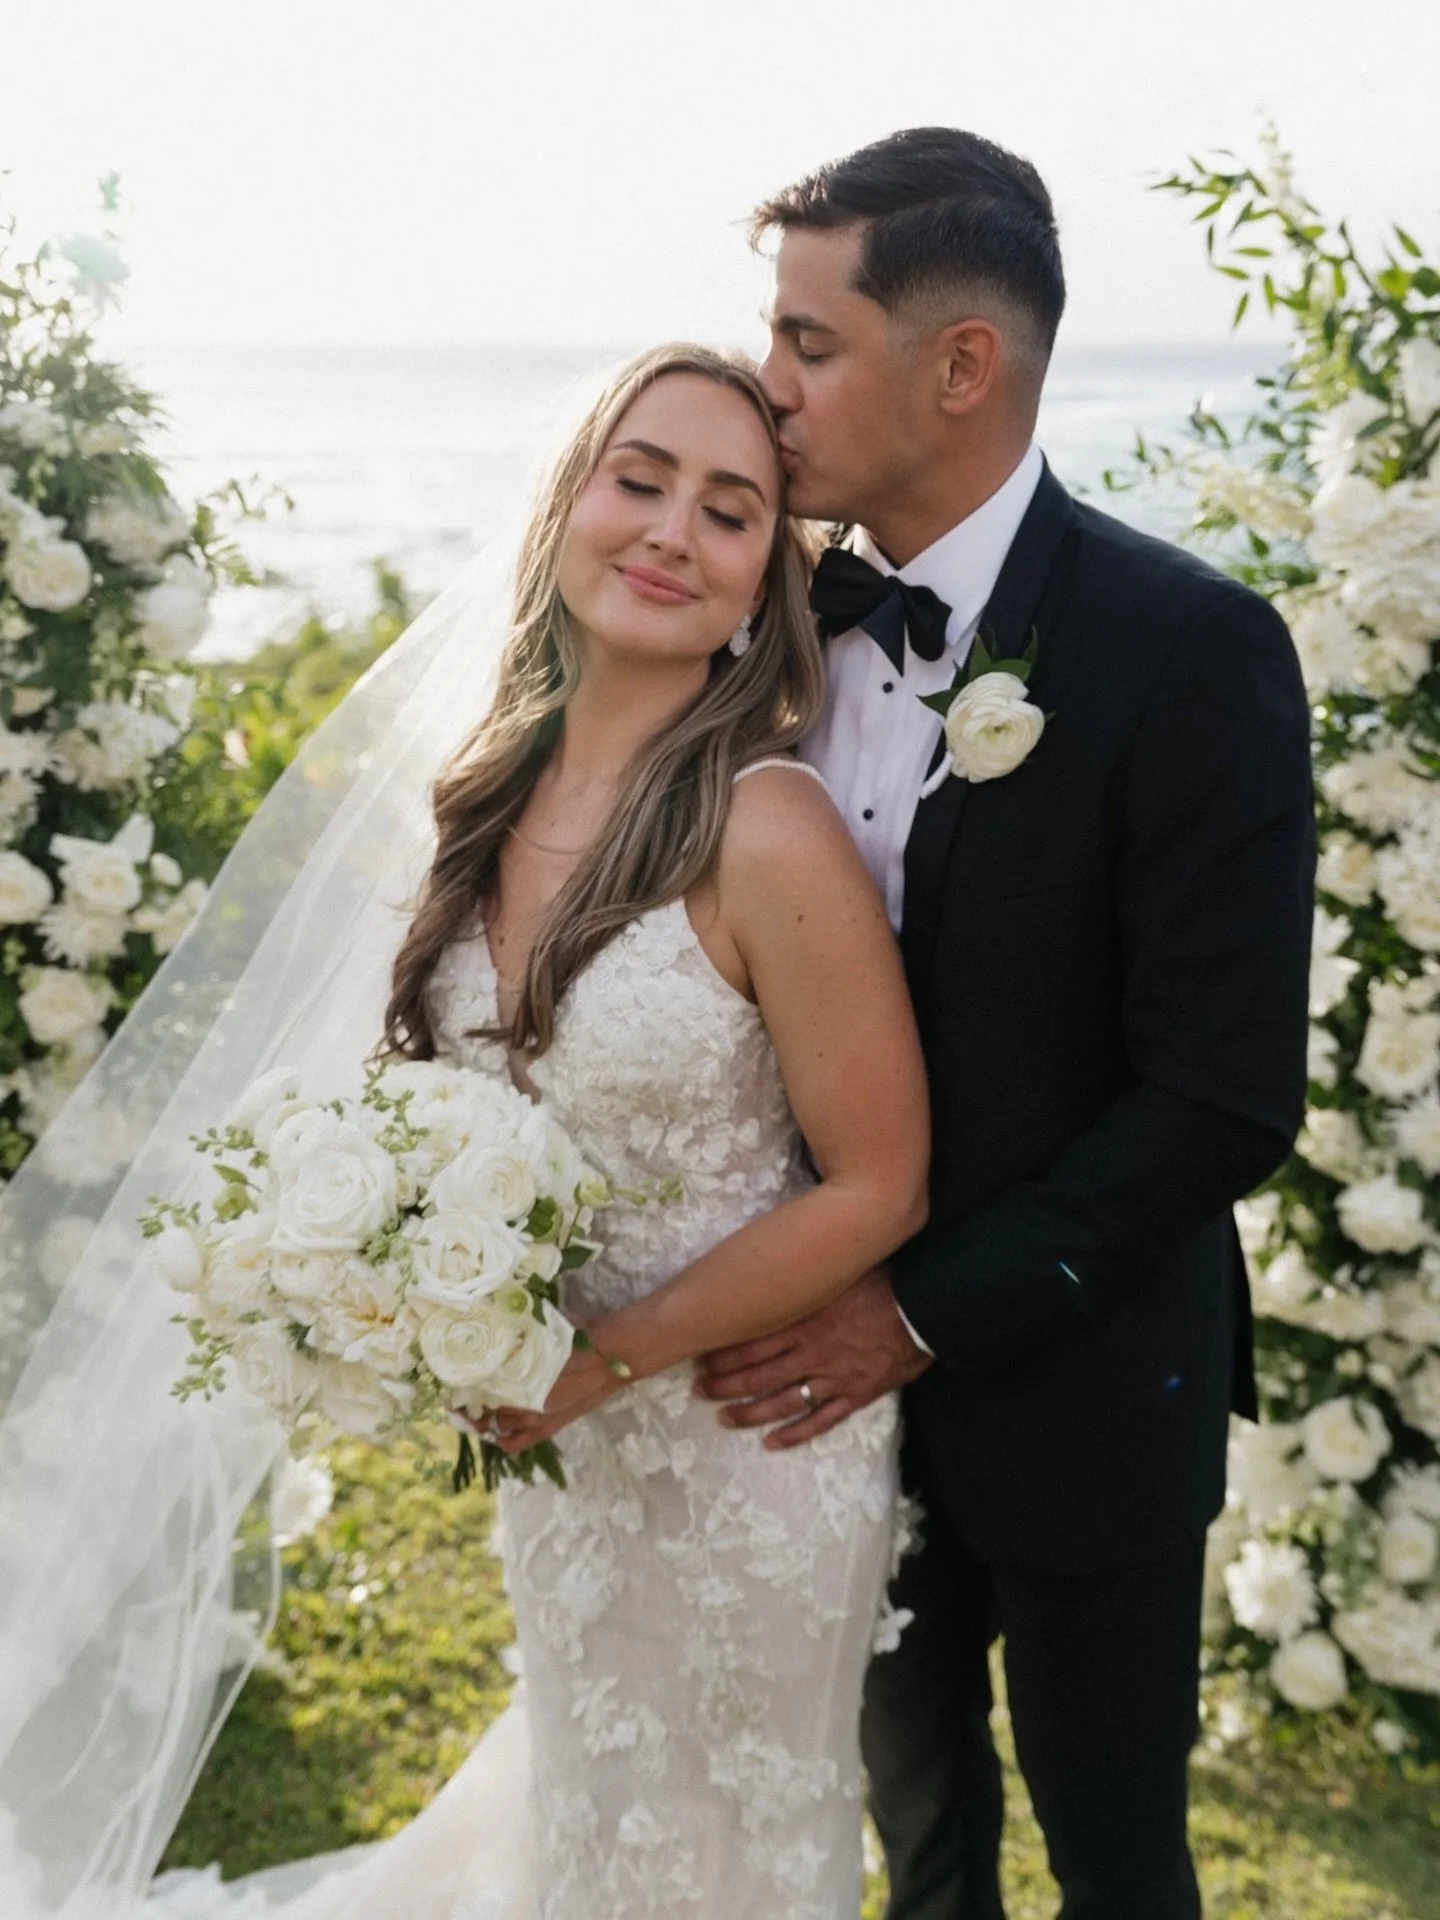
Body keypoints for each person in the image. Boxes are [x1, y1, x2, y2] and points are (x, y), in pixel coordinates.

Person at [0, 343, 928, 1920]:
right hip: (556, 1442)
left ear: (764, 579)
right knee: (589, 1806)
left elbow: (881, 1184)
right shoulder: (472, 797)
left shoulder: (765, 826)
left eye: (729, 511)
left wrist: (603, 1357)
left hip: (745, 1445)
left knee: (725, 1847)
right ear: (566, 500)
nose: (670, 533)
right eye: (639, 480)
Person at [694, 128, 1316, 1920]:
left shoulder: (1188, 648)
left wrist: (915, 1316)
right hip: (810, 1396)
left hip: (1086, 1384)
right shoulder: (765, 615)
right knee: (918, 1845)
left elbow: (1218, 1098)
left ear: (961, 365)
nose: (769, 385)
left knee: (1121, 1857)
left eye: (810, 344)